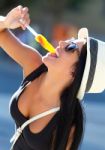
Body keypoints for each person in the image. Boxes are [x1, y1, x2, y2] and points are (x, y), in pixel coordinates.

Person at [0, 5, 105, 150]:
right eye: (70, 41)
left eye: (71, 48)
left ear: (75, 73)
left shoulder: (68, 124)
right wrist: (6, 22)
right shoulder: (34, 65)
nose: (61, 42)